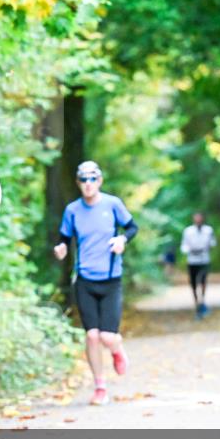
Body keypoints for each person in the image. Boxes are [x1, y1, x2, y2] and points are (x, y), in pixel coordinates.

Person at [53, 161, 138, 406]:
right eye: (83, 180)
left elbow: (132, 227)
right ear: (78, 183)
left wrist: (122, 239)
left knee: (107, 337)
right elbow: (64, 238)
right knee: (91, 336)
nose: (88, 184)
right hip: (84, 280)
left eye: (92, 179)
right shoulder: (72, 210)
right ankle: (100, 386)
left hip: (111, 279)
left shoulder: (112, 205)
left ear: (99, 181)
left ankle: (117, 349)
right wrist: (60, 249)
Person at [180, 212, 216, 319]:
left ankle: (202, 301)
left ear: (203, 219)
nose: (198, 220)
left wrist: (208, 246)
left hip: (204, 259)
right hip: (192, 260)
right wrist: (189, 250)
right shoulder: (188, 231)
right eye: (196, 218)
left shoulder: (208, 230)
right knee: (193, 283)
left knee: (203, 280)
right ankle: (197, 303)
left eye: (200, 218)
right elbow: (184, 246)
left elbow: (213, 243)